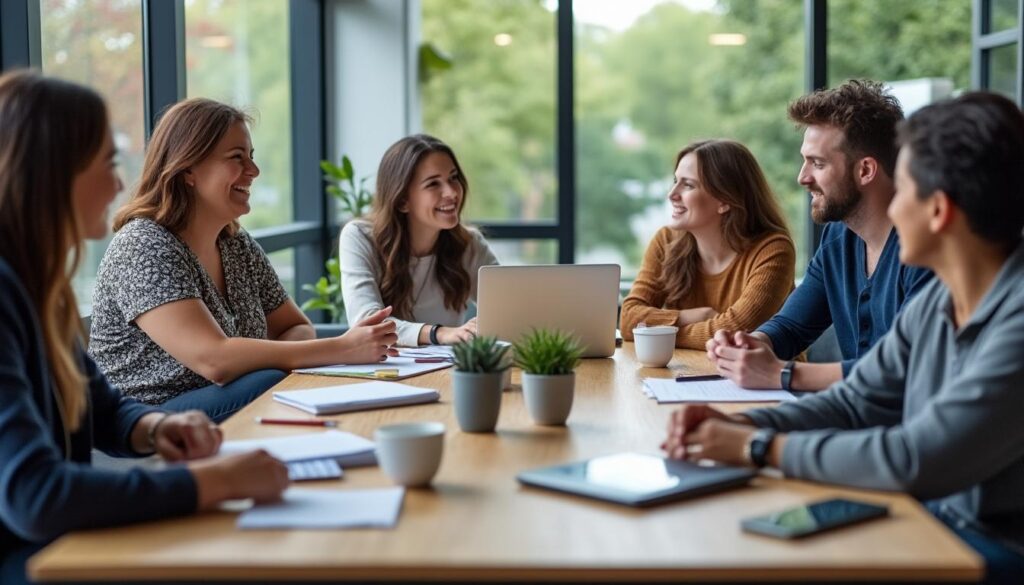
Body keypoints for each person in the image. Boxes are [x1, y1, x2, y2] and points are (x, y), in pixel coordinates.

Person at [665, 92, 1024, 583]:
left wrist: (755, 447)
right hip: (929, 516)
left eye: (905, 191)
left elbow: (914, 459)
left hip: (991, 549)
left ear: (938, 210)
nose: (893, 208)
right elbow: (855, 403)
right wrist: (740, 424)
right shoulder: (939, 306)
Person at [0, 71, 289, 585]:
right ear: (52, 171)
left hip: (60, 544)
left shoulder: (39, 285)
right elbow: (34, 496)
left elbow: (101, 406)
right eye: (108, 163)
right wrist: (209, 484)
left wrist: (155, 426)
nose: (118, 183)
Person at [88, 98, 398, 421]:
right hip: (143, 420)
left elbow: (297, 327)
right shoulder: (143, 245)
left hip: (226, 400)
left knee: (276, 382)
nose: (254, 171)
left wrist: (251, 358)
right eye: (237, 158)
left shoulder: (235, 242)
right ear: (188, 168)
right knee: (272, 383)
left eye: (251, 157)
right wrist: (342, 349)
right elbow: (215, 361)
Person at [707, 80, 932, 391]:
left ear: (865, 170)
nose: (802, 177)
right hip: (853, 417)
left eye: (818, 163)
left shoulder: (928, 249)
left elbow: (906, 368)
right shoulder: (838, 239)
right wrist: (750, 344)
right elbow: (791, 327)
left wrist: (781, 374)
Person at [620, 140, 796, 349]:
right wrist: (695, 315)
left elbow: (735, 331)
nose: (672, 194)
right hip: (690, 374)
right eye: (675, 181)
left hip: (767, 379)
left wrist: (659, 335)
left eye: (688, 185)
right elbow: (629, 319)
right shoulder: (666, 241)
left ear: (724, 201)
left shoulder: (773, 250)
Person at [339, 134, 498, 347]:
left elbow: (508, 307)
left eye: (453, 177)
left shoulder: (469, 243)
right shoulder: (359, 237)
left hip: (446, 371)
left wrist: (487, 324)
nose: (451, 192)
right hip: (384, 372)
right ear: (403, 200)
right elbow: (367, 322)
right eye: (433, 184)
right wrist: (439, 334)